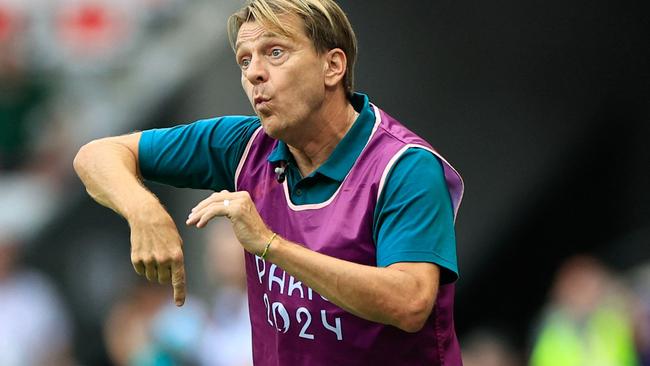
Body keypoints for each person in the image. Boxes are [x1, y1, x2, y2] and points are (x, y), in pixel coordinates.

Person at [73, 0, 464, 364]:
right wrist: (144, 212)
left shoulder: (404, 167)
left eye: (275, 52)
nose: (254, 73)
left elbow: (410, 302)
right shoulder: (244, 146)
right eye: (244, 61)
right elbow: (95, 156)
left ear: (333, 66)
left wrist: (270, 245)